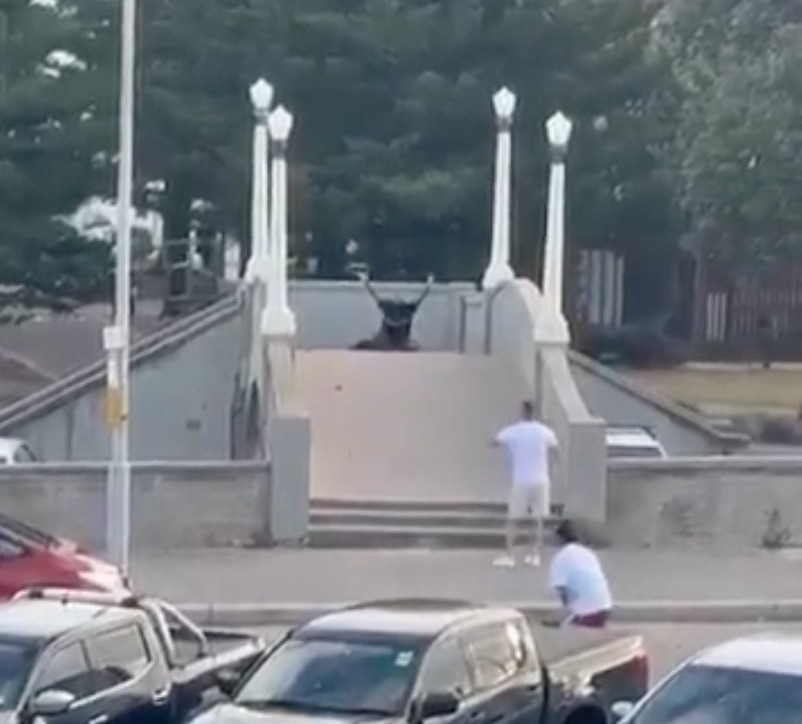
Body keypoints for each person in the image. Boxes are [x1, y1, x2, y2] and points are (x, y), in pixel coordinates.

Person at [492, 400, 558, 568]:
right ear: (535, 413)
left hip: (521, 479)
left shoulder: (514, 431)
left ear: (522, 412)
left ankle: (510, 555)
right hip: (541, 479)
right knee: (538, 519)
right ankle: (534, 555)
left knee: (514, 518)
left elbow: (496, 441)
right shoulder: (545, 432)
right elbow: (555, 450)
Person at [548, 519, 612, 628]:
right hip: (605, 605)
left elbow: (561, 590)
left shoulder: (561, 558)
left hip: (586, 611)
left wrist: (567, 609)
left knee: (565, 632)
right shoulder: (588, 553)